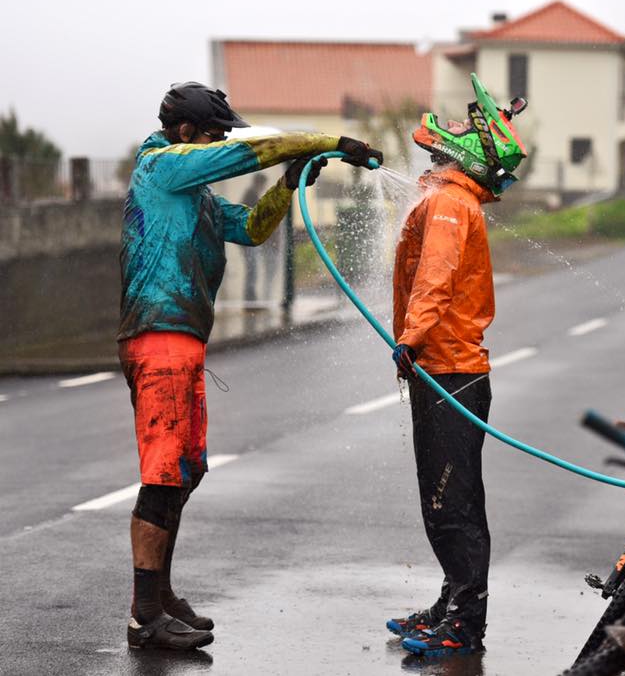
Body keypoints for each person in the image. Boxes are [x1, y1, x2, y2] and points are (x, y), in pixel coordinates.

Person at [119, 81, 382, 650]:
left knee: (186, 472)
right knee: (162, 476)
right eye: (212, 135)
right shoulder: (162, 167)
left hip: (185, 341)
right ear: (186, 133)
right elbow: (248, 152)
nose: (218, 145)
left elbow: (254, 229)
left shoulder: (199, 198)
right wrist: (327, 142)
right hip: (157, 338)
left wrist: (289, 184)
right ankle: (144, 615)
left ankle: (160, 594)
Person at [388, 73, 528, 658]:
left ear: (473, 153)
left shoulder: (448, 202)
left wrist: (411, 339)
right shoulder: (449, 196)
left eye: (469, 128)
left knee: (453, 504)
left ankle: (465, 625)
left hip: (448, 372)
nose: (454, 128)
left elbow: (436, 279)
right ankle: (451, 603)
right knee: (446, 500)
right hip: (444, 372)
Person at [241, 172, 270, 302]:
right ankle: (250, 297)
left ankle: (251, 296)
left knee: (252, 268)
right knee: (252, 268)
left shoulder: (251, 194)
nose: (263, 187)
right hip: (248, 238)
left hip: (248, 238)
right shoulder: (251, 195)